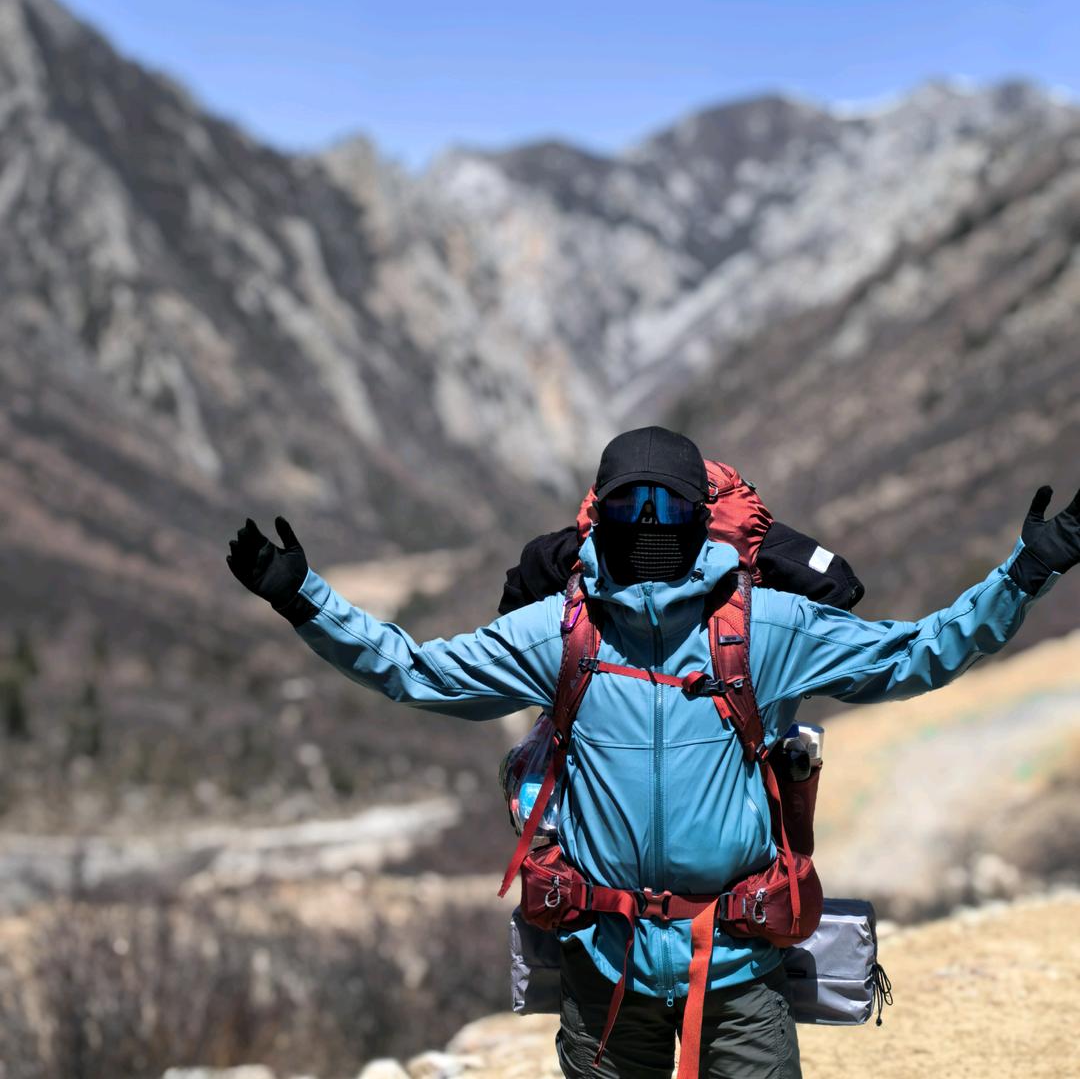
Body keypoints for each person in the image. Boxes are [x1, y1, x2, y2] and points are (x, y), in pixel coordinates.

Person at [227, 426, 1078, 1079]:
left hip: (739, 965)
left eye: (664, 507)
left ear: (698, 516)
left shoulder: (765, 628)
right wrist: (305, 600)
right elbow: (418, 673)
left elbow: (917, 653)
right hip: (605, 966)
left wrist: (1024, 574)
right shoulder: (560, 635)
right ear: (597, 516)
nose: (647, 524)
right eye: (628, 507)